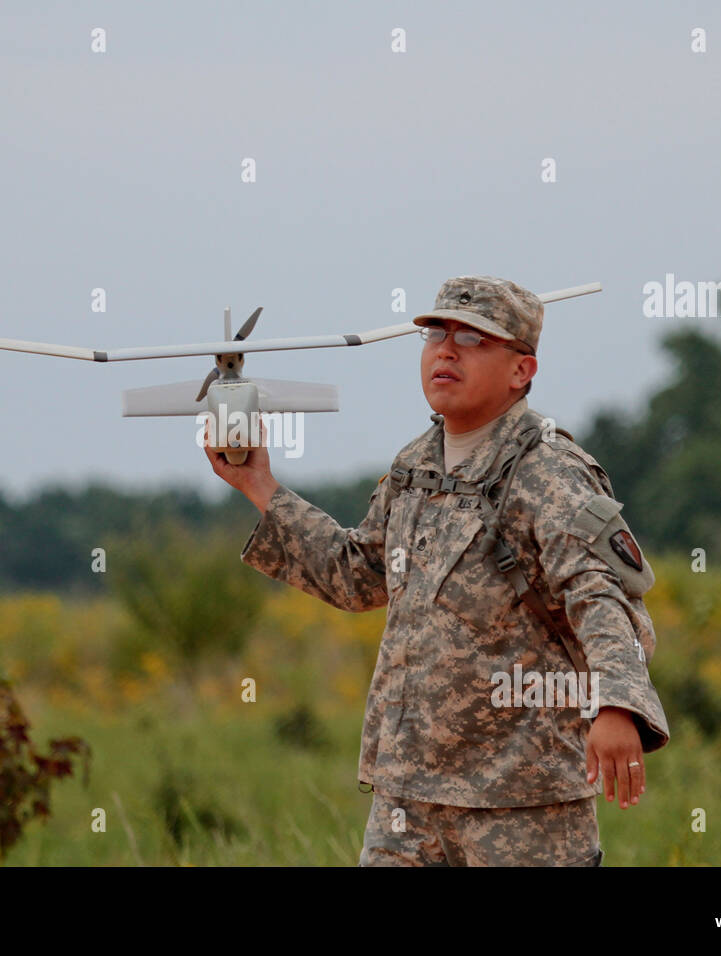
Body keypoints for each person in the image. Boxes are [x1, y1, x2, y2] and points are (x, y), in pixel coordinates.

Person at [205, 275, 669, 866]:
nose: (445, 350)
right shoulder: (414, 467)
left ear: (521, 371)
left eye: (473, 340)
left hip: (521, 801)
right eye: (436, 335)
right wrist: (259, 485)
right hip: (407, 799)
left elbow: (600, 595)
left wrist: (616, 705)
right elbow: (359, 575)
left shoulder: (548, 471)